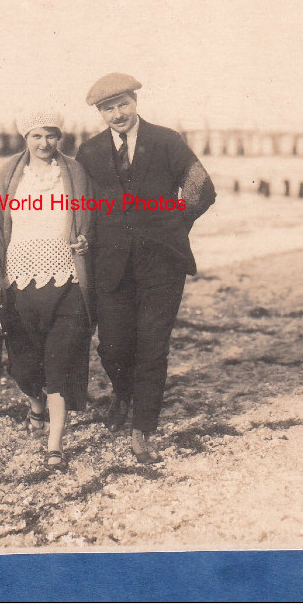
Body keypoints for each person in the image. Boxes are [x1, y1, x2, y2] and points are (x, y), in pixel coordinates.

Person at [75, 73, 216, 464]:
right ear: (100, 113)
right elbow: (82, 205)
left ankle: (142, 428)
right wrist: (82, 238)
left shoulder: (166, 140)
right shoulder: (89, 152)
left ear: (135, 102)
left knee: (153, 345)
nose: (117, 114)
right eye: (108, 109)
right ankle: (123, 391)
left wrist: (172, 225)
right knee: (113, 345)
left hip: (162, 263)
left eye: (123, 104)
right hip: (111, 264)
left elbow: (201, 188)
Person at [0, 110, 93, 470]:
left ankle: (55, 443)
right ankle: (35, 405)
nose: (45, 144)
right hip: (19, 283)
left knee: (59, 363)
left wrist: (87, 241)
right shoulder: (9, 175)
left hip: (68, 281)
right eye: (37, 136)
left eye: (51, 136)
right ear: (25, 139)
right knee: (24, 368)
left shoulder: (75, 172)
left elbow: (90, 218)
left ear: (61, 138)